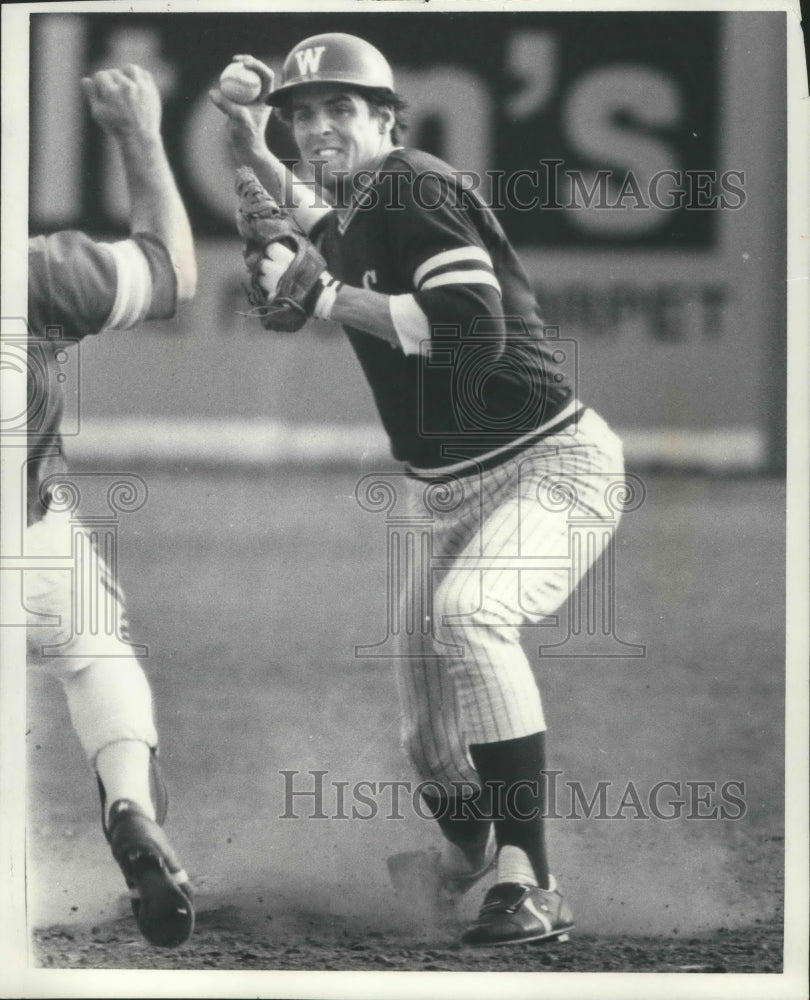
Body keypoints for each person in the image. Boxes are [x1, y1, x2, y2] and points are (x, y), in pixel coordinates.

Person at [211, 35, 626, 947]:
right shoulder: (361, 209)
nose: (318, 127)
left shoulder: (412, 186)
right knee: (431, 748)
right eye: (302, 113)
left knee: (475, 613)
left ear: (387, 119)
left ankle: (531, 879)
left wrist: (321, 299)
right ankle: (466, 865)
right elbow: (320, 230)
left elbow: (468, 333)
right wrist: (244, 139)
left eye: (340, 109)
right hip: (440, 492)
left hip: (550, 462)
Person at [25, 64, 197, 948]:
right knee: (97, 661)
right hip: (30, 546)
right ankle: (129, 802)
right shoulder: (35, 273)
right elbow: (172, 274)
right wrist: (138, 133)